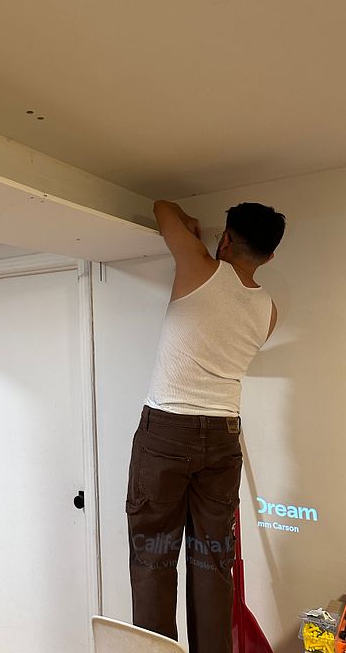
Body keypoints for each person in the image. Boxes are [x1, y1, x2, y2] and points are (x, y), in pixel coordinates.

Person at [125, 200, 286, 653]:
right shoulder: (268, 310)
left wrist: (192, 231)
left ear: (226, 238)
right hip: (223, 437)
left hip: (167, 432)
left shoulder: (200, 266)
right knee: (212, 561)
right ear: (271, 257)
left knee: (153, 555)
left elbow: (159, 207)